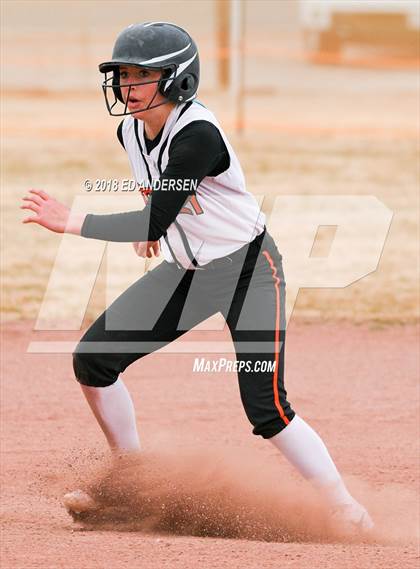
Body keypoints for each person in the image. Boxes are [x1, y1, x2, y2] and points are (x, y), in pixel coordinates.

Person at [21, 22, 373, 534]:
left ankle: (346, 508)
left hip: (249, 271)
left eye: (143, 75)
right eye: (123, 74)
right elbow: (161, 199)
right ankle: (133, 484)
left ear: (178, 79)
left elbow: (159, 208)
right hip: (190, 272)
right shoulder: (131, 130)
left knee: (267, 408)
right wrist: (155, 229)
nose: (127, 85)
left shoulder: (198, 135)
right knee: (94, 361)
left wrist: (74, 220)